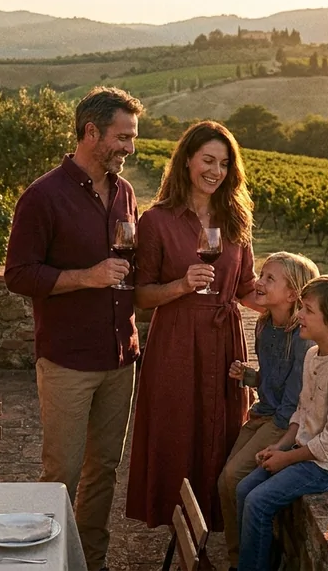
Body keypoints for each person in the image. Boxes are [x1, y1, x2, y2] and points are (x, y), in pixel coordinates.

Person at [4, 87, 144, 571]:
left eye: (132, 138)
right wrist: (87, 276)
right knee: (60, 473)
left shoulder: (124, 193)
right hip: (67, 361)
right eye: (122, 137)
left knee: (104, 471)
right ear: (91, 132)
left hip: (120, 356)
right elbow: (18, 275)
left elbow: (131, 264)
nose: (130, 148)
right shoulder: (43, 197)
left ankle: (91, 562)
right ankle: (49, 562)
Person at [126, 120, 258, 531]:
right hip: (177, 339)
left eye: (223, 163)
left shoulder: (236, 217)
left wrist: (297, 307)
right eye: (207, 160)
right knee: (177, 429)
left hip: (224, 339)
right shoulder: (157, 220)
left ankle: (212, 524)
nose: (215, 171)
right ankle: (179, 525)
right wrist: (182, 285)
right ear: (186, 161)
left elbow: (247, 287)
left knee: (222, 431)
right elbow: (141, 296)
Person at [235, 274, 328, 571]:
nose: (299, 314)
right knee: (243, 489)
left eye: (308, 310)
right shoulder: (314, 355)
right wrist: (280, 445)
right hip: (306, 451)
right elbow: (302, 410)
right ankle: (256, 559)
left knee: (258, 502)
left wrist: (287, 459)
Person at [218, 252, 319, 569]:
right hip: (263, 413)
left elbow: (294, 397)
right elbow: (272, 378)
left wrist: (280, 440)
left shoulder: (300, 340)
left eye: (269, 278)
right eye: (261, 275)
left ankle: (243, 559)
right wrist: (249, 377)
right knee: (226, 480)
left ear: (292, 294)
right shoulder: (264, 325)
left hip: (281, 421)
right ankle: (241, 553)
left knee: (233, 478)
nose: (258, 283)